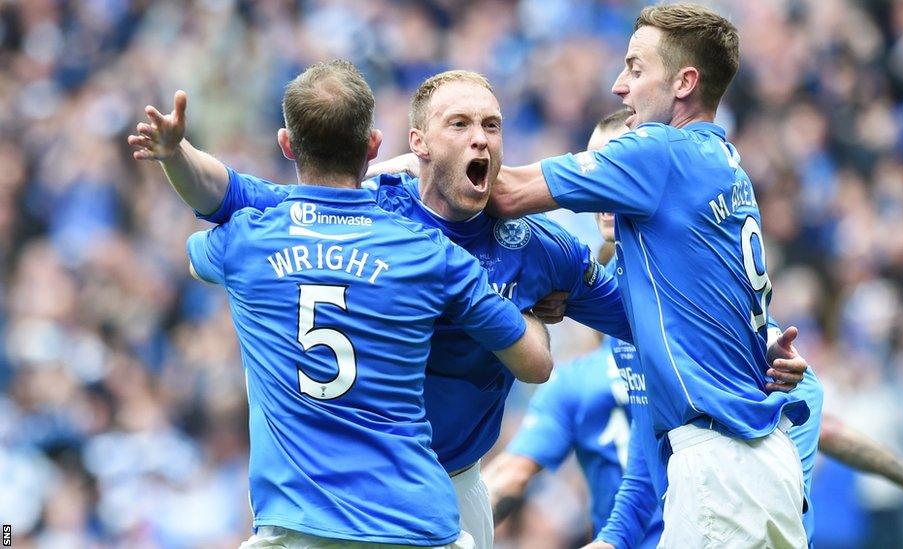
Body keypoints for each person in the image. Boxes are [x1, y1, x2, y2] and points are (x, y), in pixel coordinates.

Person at [132, 68, 808, 548]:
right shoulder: (372, 206)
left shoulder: (541, 251)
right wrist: (178, 153)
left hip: (450, 485)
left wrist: (760, 346)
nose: (481, 138)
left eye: (492, 125)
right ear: (419, 143)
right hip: (356, 482)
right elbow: (248, 196)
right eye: (460, 124)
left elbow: (649, 313)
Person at [494, 110, 903, 549]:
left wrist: (793, 498)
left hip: (730, 517)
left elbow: (803, 394)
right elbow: (643, 467)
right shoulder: (633, 325)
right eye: (596, 170)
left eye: (615, 171)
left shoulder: (693, 310)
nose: (602, 191)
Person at [126, 60, 554, 548]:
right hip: (415, 525)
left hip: (299, 526)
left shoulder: (246, 242)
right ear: (373, 145)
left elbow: (209, 223)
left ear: (287, 144)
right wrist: (533, 312)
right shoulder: (430, 254)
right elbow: (534, 363)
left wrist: (175, 155)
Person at [486, 4, 816, 545]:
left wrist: (409, 165)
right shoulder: (726, 167)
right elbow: (660, 313)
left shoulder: (659, 151)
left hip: (718, 467)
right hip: (765, 462)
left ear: (685, 82)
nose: (620, 85)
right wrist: (571, 295)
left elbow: (502, 193)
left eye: (636, 69)